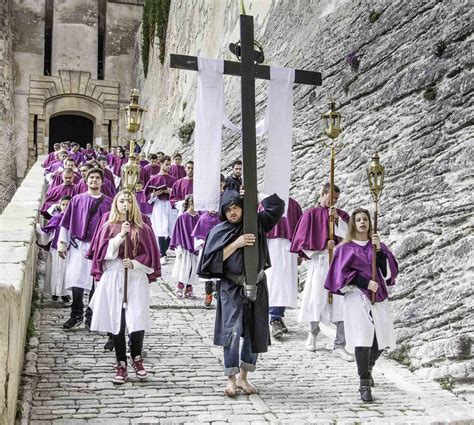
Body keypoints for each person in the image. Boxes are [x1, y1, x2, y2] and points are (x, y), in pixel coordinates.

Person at [197, 190, 284, 396]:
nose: (232, 213)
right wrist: (236, 243)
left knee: (254, 331)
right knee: (232, 332)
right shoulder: (219, 231)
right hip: (231, 287)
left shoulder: (257, 223)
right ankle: (231, 380)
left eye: (236, 207)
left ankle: (244, 378)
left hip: (257, 285)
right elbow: (210, 261)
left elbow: (277, 207)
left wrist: (257, 195)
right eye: (228, 210)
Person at [324, 208, 398, 402]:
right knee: (362, 337)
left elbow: (387, 271)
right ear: (353, 224)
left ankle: (369, 365)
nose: (363, 222)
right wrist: (364, 282)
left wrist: (380, 251)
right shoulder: (345, 248)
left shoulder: (377, 245)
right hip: (356, 297)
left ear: (369, 223)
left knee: (382, 337)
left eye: (365, 219)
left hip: (378, 296)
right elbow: (339, 275)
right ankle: (364, 382)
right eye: (358, 220)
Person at [88, 191, 161, 384]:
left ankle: (136, 357)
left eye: (129, 201)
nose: (125, 204)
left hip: (135, 278)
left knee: (137, 318)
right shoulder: (108, 227)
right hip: (113, 276)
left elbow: (151, 257)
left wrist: (136, 263)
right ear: (115, 204)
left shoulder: (143, 228)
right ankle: (120, 362)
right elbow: (102, 254)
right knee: (117, 321)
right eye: (121, 201)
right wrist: (121, 235)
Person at [290, 183, 353, 361]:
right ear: (322, 193)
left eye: (336, 200)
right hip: (320, 262)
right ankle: (313, 333)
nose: (332, 201)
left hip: (339, 264)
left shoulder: (341, 215)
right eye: (330, 198)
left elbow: (351, 237)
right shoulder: (310, 214)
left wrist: (337, 221)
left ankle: (340, 344)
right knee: (316, 298)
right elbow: (302, 241)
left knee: (341, 302)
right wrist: (322, 247)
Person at [57, 168, 113, 330]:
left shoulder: (109, 203)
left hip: (98, 247)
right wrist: (62, 242)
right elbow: (66, 222)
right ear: (86, 181)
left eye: (97, 178)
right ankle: (76, 314)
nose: (94, 180)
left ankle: (91, 316)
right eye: (91, 178)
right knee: (76, 279)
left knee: (96, 281)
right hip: (78, 245)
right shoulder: (76, 200)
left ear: (102, 182)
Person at [265, 196, 303, 338]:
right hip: (272, 245)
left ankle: (279, 316)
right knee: (275, 282)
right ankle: (274, 318)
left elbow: (300, 228)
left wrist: (299, 251)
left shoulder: (293, 204)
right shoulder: (265, 203)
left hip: (289, 245)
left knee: (286, 283)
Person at [36, 196, 72, 306]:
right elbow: (47, 231)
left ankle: (65, 293)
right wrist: (38, 228)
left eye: (68, 204)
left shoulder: (75, 218)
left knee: (67, 271)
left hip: (70, 249)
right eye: (63, 204)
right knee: (56, 269)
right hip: (56, 248)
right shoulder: (57, 217)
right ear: (60, 206)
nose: (65, 207)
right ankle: (55, 292)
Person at [144, 155, 177, 264]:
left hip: (170, 204)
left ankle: (163, 249)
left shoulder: (173, 179)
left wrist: (170, 191)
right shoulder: (154, 179)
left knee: (171, 228)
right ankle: (162, 254)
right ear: (161, 164)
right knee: (161, 227)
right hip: (159, 204)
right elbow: (147, 195)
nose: (168, 167)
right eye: (166, 164)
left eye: (169, 165)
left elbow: (177, 193)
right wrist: (154, 194)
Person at [170, 195, 200, 299]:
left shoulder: (198, 217)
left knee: (193, 268)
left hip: (195, 246)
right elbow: (178, 232)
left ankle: (189, 288)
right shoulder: (182, 217)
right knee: (184, 267)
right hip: (184, 246)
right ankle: (180, 287)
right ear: (190, 204)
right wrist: (178, 246)